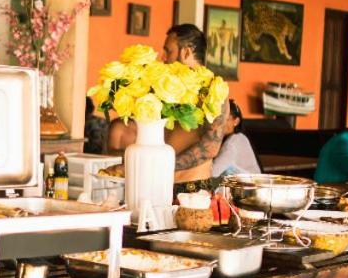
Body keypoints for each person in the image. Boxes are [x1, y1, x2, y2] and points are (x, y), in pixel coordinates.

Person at [106, 23, 227, 182]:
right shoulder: (163, 85)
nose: (163, 57)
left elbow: (210, 148)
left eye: (168, 51)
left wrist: (160, 165)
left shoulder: (213, 90)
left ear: (186, 52)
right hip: (155, 183)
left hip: (192, 189)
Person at [212, 99, 261, 176]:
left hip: (250, 186)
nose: (220, 123)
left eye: (226, 119)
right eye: (218, 119)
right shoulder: (240, 137)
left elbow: (213, 173)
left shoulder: (232, 143)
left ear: (236, 121)